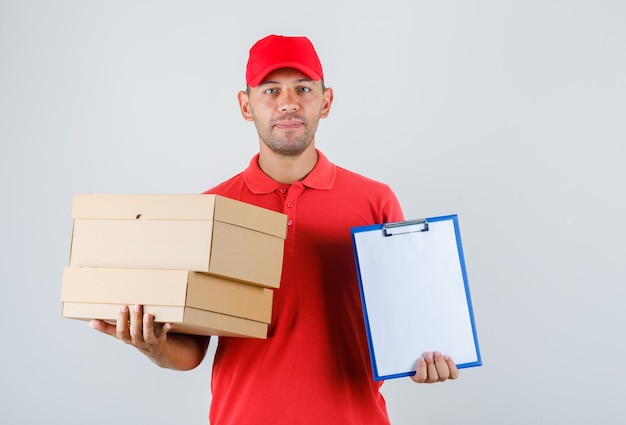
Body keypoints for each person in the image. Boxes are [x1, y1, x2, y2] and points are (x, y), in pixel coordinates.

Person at [90, 34, 459, 424]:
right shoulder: (211, 210)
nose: (288, 103)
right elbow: (193, 350)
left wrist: (427, 354)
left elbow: (407, 324)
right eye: (271, 90)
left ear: (326, 101)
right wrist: (154, 346)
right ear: (245, 105)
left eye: (303, 88)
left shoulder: (376, 201)